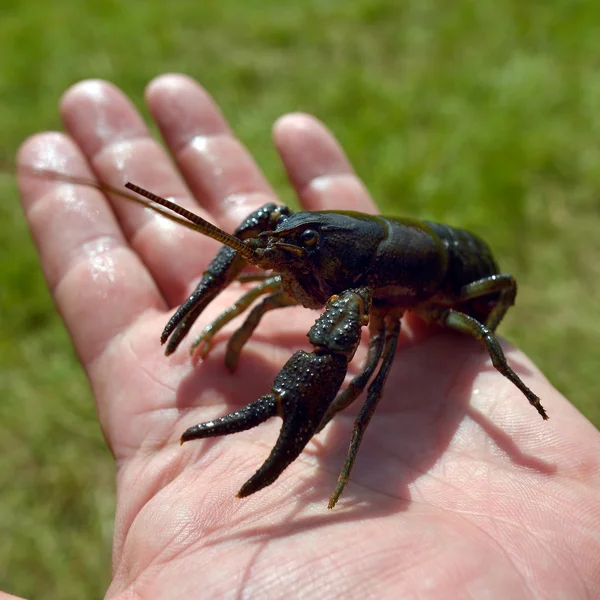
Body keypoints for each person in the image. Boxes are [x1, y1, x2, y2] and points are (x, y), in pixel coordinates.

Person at [10, 74, 600, 599]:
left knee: (366, 378)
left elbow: (356, 364)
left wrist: (492, 354)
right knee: (270, 264)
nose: (279, 249)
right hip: (397, 259)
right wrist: (207, 301)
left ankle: (349, 441)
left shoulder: (374, 297)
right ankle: (219, 320)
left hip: (456, 281)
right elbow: (272, 233)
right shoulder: (312, 253)